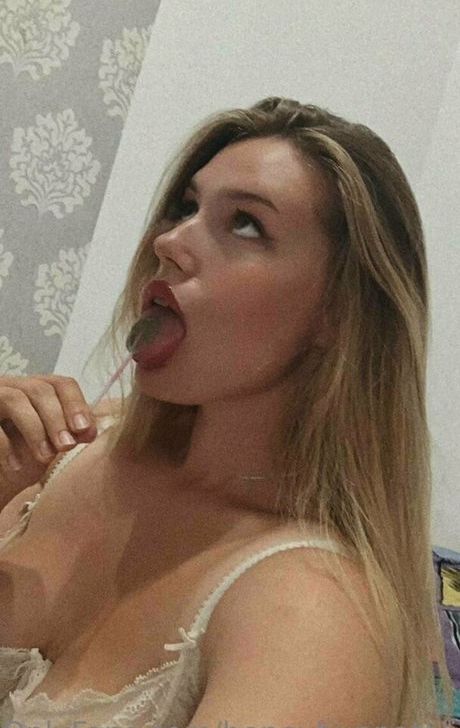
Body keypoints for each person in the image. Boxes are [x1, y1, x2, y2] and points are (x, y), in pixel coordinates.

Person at [0, 96, 454, 727]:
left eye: (245, 224)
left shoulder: (313, 612)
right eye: (186, 207)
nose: (168, 242)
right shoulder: (66, 452)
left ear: (339, 312)